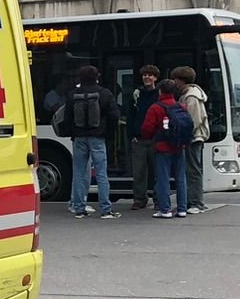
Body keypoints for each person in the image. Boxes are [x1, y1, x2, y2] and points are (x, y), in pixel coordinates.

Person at [53, 64, 120, 219]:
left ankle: (79, 208)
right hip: (98, 137)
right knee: (101, 173)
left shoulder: (73, 94)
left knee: (79, 172)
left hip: (79, 138)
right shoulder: (104, 93)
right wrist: (108, 133)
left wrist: (72, 133)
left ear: (80, 78)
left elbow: (67, 117)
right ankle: (105, 209)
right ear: (97, 77)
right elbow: (114, 115)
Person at [142, 77, 193, 218]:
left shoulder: (155, 108)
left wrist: (151, 138)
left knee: (163, 179)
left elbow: (147, 128)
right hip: (179, 146)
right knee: (181, 178)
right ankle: (182, 208)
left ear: (160, 91)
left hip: (162, 147)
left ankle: (165, 209)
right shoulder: (181, 107)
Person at [173, 65, 210, 216]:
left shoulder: (191, 97)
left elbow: (193, 120)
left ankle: (196, 203)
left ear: (182, 80)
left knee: (193, 170)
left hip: (193, 138)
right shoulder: (191, 94)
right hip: (195, 137)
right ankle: (192, 201)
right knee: (192, 169)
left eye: (176, 79)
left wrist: (185, 136)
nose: (174, 83)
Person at [128, 65, 162, 210]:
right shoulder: (136, 94)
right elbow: (130, 116)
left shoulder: (159, 94)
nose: (147, 77)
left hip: (156, 138)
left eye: (150, 75)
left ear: (155, 78)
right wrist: (132, 135)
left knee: (158, 171)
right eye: (144, 75)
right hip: (139, 138)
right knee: (139, 172)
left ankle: (158, 199)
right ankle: (139, 199)